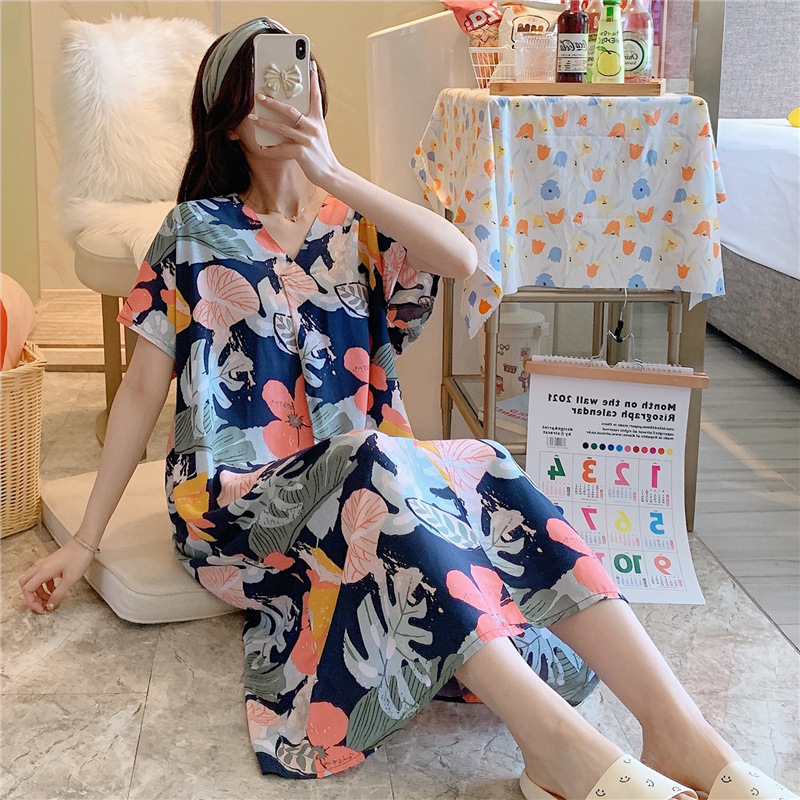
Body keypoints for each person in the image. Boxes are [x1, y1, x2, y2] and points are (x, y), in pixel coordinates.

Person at [19, 18, 797, 800]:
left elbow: (462, 258)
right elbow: (142, 390)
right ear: (227, 120)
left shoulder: (356, 222)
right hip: (238, 502)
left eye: (293, 79)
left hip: (375, 483)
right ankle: (559, 750)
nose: (282, 102)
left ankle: (680, 732)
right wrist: (85, 542)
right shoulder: (192, 231)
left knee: (483, 459)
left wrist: (335, 172)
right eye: (258, 90)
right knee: (374, 457)